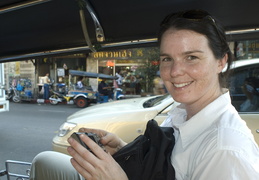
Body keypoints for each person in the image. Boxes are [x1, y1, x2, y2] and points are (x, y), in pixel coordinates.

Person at [29, 9, 259, 180]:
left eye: (192, 57)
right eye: (167, 59)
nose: (175, 72)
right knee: (44, 160)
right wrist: (123, 149)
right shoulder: (184, 115)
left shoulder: (226, 151)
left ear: (221, 61)